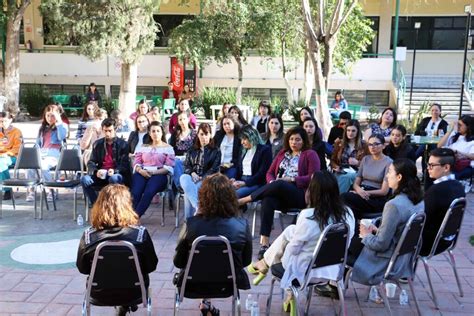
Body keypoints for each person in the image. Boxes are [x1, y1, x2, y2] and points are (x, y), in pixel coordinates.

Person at [247, 171, 355, 312]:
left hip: (305, 270)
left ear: (313, 191)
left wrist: (279, 258)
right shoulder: (347, 213)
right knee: (291, 230)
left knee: (290, 245)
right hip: (333, 269)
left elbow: (293, 250)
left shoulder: (308, 216)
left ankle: (267, 265)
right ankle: (267, 267)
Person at [173, 173, 252, 316]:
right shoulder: (242, 225)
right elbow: (245, 261)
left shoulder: (191, 225)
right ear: (231, 197)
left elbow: (178, 261)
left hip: (192, 283)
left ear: (202, 196)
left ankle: (206, 303)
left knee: (204, 264)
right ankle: (207, 304)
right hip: (228, 283)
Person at [238, 126, 320, 258]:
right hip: (278, 192)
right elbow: (269, 173)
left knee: (281, 183)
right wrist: (271, 183)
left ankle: (245, 200)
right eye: (292, 139)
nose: (294, 142)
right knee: (267, 199)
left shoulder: (310, 154)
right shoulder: (282, 153)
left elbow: (314, 177)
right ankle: (264, 244)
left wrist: (292, 179)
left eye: (298, 140)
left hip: (300, 194)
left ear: (304, 141)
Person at [76, 184, 158, 316]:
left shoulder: (88, 236)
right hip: (134, 291)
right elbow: (151, 266)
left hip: (99, 292)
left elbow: (83, 268)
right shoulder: (140, 234)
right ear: (127, 205)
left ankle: (122, 305)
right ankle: (124, 304)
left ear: (99, 206)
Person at [349, 159, 424, 286]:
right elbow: (401, 233)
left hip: (386, 259)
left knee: (346, 242)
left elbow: (381, 245)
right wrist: (377, 230)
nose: (387, 176)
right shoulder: (420, 200)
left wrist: (366, 235)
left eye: (389, 172)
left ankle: (335, 285)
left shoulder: (393, 205)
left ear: (399, 177)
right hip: (404, 257)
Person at [420, 148, 465, 256]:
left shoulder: (436, 190)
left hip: (429, 244)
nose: (428, 168)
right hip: (448, 239)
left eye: (432, 165)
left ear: (446, 167)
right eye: (427, 164)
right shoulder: (459, 186)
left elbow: (422, 218)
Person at [341, 134, 392, 220]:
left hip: (376, 197)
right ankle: (354, 228)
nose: (372, 147)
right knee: (347, 205)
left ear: (383, 146)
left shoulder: (389, 162)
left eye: (376, 144)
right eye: (370, 144)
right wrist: (359, 190)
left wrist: (365, 193)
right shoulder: (365, 159)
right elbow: (356, 182)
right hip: (361, 191)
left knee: (344, 198)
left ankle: (352, 228)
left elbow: (384, 191)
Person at [81, 118, 131, 205]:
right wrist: (96, 171)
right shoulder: (97, 144)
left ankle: (111, 206)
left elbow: (125, 164)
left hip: (116, 174)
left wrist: (115, 170)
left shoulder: (123, 144)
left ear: (115, 129)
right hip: (101, 174)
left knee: (114, 178)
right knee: (84, 179)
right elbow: (91, 162)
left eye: (110, 131)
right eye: (105, 131)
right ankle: (97, 204)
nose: (107, 133)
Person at [131, 122, 175, 217]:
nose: (155, 133)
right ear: (149, 133)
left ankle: (134, 217)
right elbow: (136, 163)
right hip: (142, 172)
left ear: (162, 133)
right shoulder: (143, 147)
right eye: (153, 131)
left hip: (159, 174)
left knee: (149, 192)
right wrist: (141, 171)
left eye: (158, 131)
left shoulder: (168, 148)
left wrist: (153, 172)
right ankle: (128, 216)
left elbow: (168, 167)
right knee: (136, 192)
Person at [26, 105, 68, 202]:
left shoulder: (61, 126)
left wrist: (58, 122)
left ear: (57, 115)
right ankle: (31, 190)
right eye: (48, 115)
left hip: (54, 153)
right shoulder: (43, 128)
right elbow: (38, 143)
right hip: (42, 152)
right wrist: (34, 153)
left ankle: (51, 190)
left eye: (52, 115)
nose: (50, 118)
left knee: (44, 167)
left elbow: (61, 137)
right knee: (31, 166)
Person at [180, 123, 221, 219]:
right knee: (183, 177)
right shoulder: (192, 150)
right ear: (197, 134)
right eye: (201, 134)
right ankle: (198, 207)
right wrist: (192, 173)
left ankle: (189, 221)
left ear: (210, 135)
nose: (204, 137)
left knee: (188, 193)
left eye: (206, 134)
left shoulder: (216, 150)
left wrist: (202, 178)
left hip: (207, 179)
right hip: (192, 177)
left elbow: (214, 168)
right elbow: (186, 165)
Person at [231, 125, 272, 198]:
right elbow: (239, 168)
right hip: (241, 181)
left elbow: (262, 173)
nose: (242, 142)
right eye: (241, 139)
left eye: (244, 139)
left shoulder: (265, 150)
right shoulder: (243, 150)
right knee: (222, 192)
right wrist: (234, 179)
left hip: (256, 183)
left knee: (234, 195)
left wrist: (245, 183)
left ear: (252, 136)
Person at [330, 120, 368, 193]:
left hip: (357, 173)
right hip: (341, 171)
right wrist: (336, 167)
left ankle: (338, 198)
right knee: (333, 178)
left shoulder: (364, 145)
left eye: (353, 131)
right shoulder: (339, 143)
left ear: (358, 132)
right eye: (348, 130)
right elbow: (332, 160)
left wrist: (358, 163)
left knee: (347, 178)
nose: (350, 133)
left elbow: (369, 164)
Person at [437, 115, 474, 180]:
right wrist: (449, 131)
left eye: (460, 125)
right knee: (432, 172)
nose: (458, 127)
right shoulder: (454, 135)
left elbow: (472, 156)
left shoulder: (472, 141)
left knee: (447, 177)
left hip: (464, 165)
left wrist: (458, 152)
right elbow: (439, 146)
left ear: (468, 127)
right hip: (450, 163)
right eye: (458, 124)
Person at [169, 111, 197, 192]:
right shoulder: (175, 134)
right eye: (180, 119)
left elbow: (197, 148)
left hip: (191, 158)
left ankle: (184, 185)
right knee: (176, 162)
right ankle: (180, 186)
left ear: (188, 119)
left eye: (184, 119)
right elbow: (171, 148)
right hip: (178, 158)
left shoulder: (194, 133)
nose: (182, 121)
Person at [0, 111, 22, 201]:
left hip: (13, 156)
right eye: (0, 121)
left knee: (1, 163)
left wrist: (6, 154)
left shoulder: (16, 132)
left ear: (10, 120)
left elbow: (18, 148)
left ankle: (8, 190)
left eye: (4, 121)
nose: (2, 123)